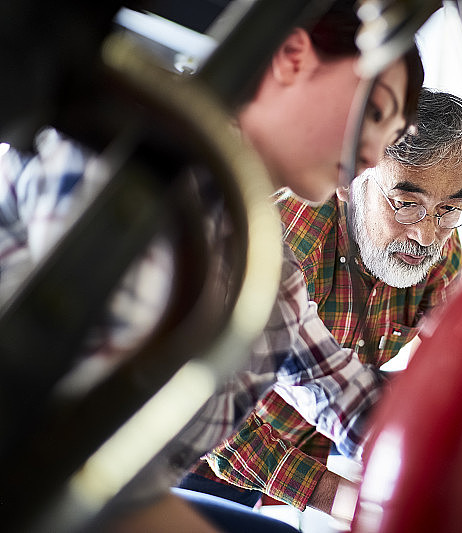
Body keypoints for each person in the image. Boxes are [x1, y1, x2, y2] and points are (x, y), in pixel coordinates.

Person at [0, 1, 423, 531]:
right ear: (292, 56)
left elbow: (350, 399)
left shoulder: (266, 273)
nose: (375, 154)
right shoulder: (115, 161)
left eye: (391, 135)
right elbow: (70, 454)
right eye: (378, 112)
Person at [179, 89, 462, 520]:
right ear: (350, 180)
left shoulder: (439, 251)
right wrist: (347, 501)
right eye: (406, 205)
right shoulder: (282, 245)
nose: (426, 234)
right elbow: (212, 421)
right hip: (201, 460)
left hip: (312, 448)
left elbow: (458, 363)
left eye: (449, 208)